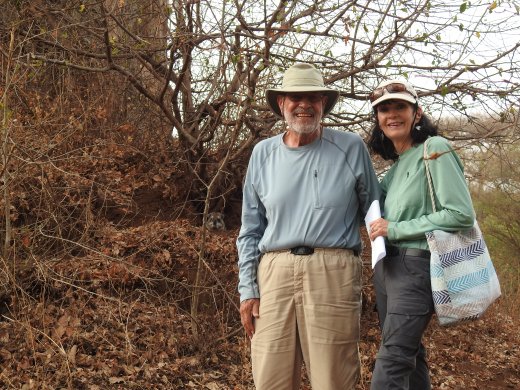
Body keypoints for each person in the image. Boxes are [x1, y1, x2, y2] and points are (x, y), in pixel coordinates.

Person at [236, 62, 381, 390]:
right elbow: (250, 229)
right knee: (270, 377)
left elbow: (376, 212)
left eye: (313, 97)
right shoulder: (262, 154)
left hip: (333, 269)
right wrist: (248, 289)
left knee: (333, 379)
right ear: (282, 104)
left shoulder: (350, 148)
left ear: (323, 105)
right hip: (273, 271)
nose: (304, 105)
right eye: (295, 97)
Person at [367, 79, 475, 390]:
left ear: (417, 113)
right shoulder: (396, 167)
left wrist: (396, 228)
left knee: (392, 360)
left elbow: (460, 213)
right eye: (383, 109)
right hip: (388, 268)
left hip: (417, 267)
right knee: (410, 355)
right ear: (378, 119)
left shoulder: (434, 149)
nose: (391, 114)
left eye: (400, 106)